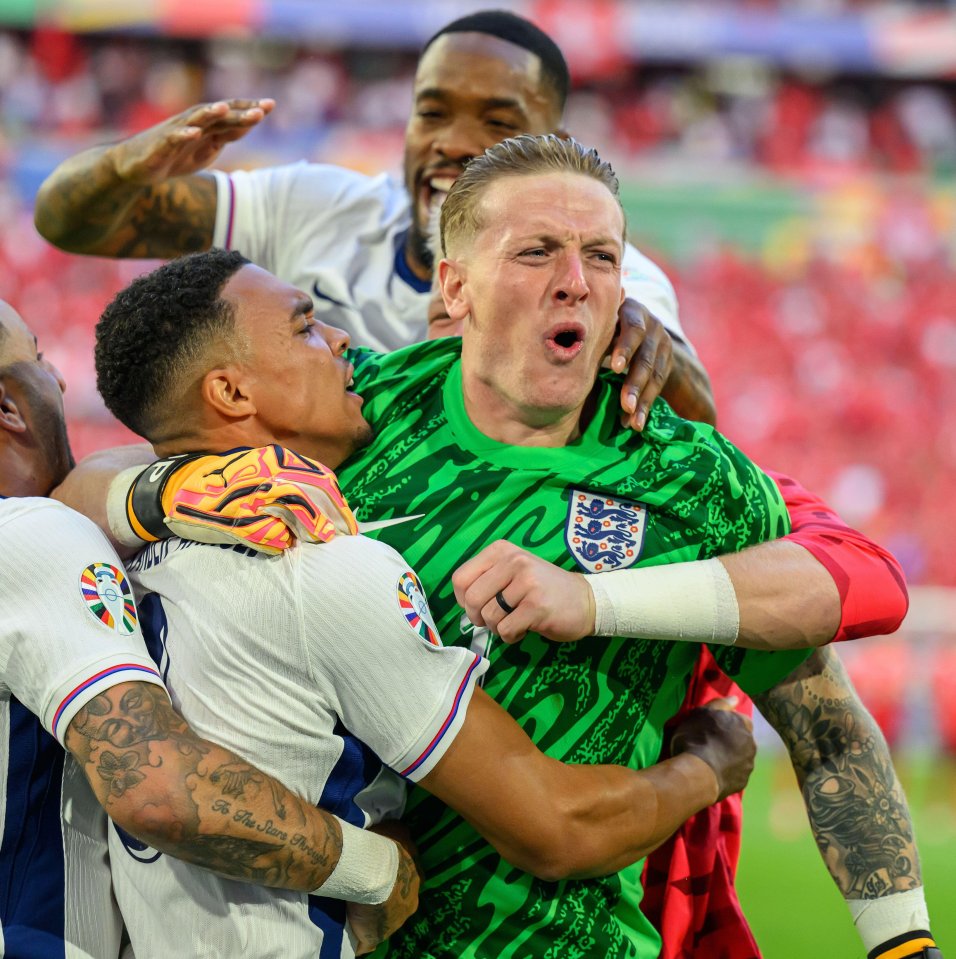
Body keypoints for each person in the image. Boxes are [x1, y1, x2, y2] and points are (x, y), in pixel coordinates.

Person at [87, 137, 936, 958]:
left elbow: (826, 727)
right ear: (454, 286)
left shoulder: (691, 478)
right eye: (537, 252)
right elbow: (124, 456)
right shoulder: (367, 408)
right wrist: (151, 490)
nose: (575, 282)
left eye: (601, 257)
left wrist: (903, 942)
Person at [88, 249, 763, 959]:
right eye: (306, 328)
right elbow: (559, 827)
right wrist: (706, 768)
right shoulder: (322, 569)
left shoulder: (119, 554)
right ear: (230, 393)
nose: (342, 340)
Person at [33, 9, 713, 432]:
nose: (454, 141)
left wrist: (635, 339)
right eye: (433, 110)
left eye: (500, 122)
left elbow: (696, 416)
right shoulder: (315, 208)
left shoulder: (597, 275)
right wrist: (126, 166)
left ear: (552, 142)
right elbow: (73, 223)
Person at [0, 299, 423, 958]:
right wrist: (377, 870)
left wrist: (159, 489)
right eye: (41, 359)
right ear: (8, 406)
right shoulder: (32, 534)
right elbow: (158, 787)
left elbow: (93, 480)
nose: (59, 382)